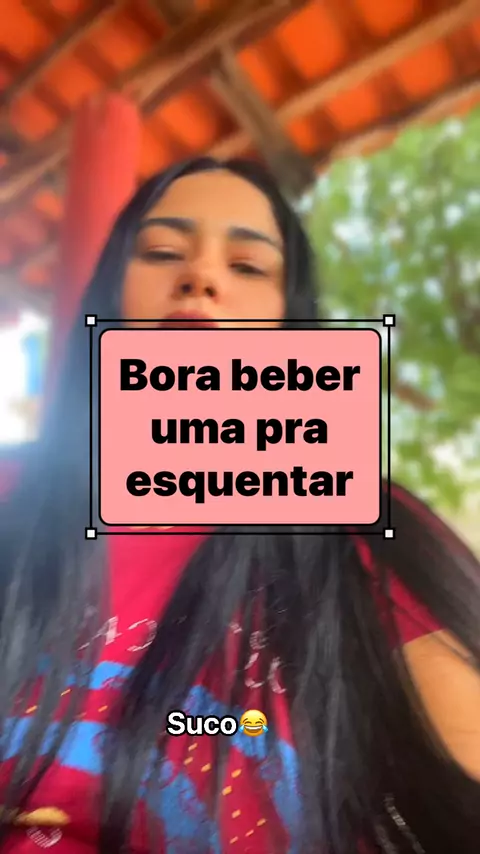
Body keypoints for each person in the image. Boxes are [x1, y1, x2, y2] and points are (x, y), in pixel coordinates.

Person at [0, 157, 479, 854]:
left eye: (248, 266)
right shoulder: (11, 488)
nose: (200, 278)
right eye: (162, 252)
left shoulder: (361, 529)